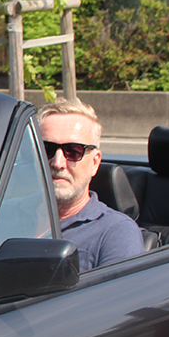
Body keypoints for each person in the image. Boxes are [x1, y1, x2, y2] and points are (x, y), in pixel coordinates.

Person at [38, 98, 144, 271]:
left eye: (73, 151)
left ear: (95, 163)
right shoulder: (2, 213)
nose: (58, 163)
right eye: (46, 148)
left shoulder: (116, 233)